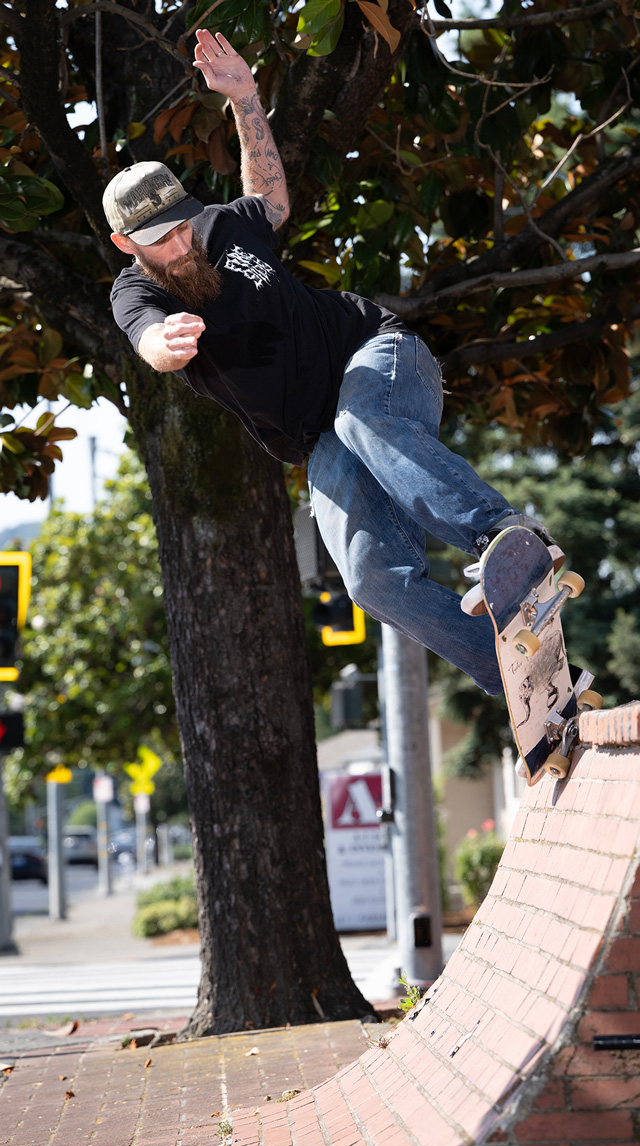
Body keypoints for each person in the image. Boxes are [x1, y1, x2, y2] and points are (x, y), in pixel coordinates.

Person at [105, 30, 562, 697]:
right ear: (125, 244)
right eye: (159, 242)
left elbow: (270, 191)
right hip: (320, 436)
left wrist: (246, 100)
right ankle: (517, 677)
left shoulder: (224, 228)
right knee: (369, 580)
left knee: (362, 418)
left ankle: (503, 535)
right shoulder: (134, 291)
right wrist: (164, 346)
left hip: (379, 355)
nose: (179, 245)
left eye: (181, 227)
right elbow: (145, 340)